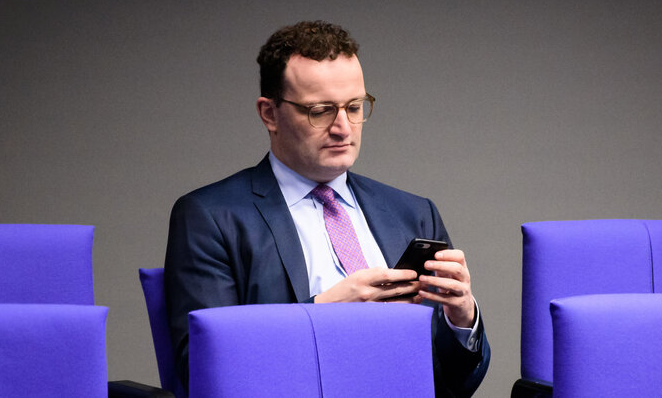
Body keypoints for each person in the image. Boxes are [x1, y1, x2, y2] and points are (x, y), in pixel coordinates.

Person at [165, 20, 489, 397]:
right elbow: (204, 370)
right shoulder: (210, 217)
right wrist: (324, 311)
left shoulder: (414, 212)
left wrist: (462, 318)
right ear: (269, 113)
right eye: (320, 111)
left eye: (354, 107)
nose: (343, 128)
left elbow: (456, 383)